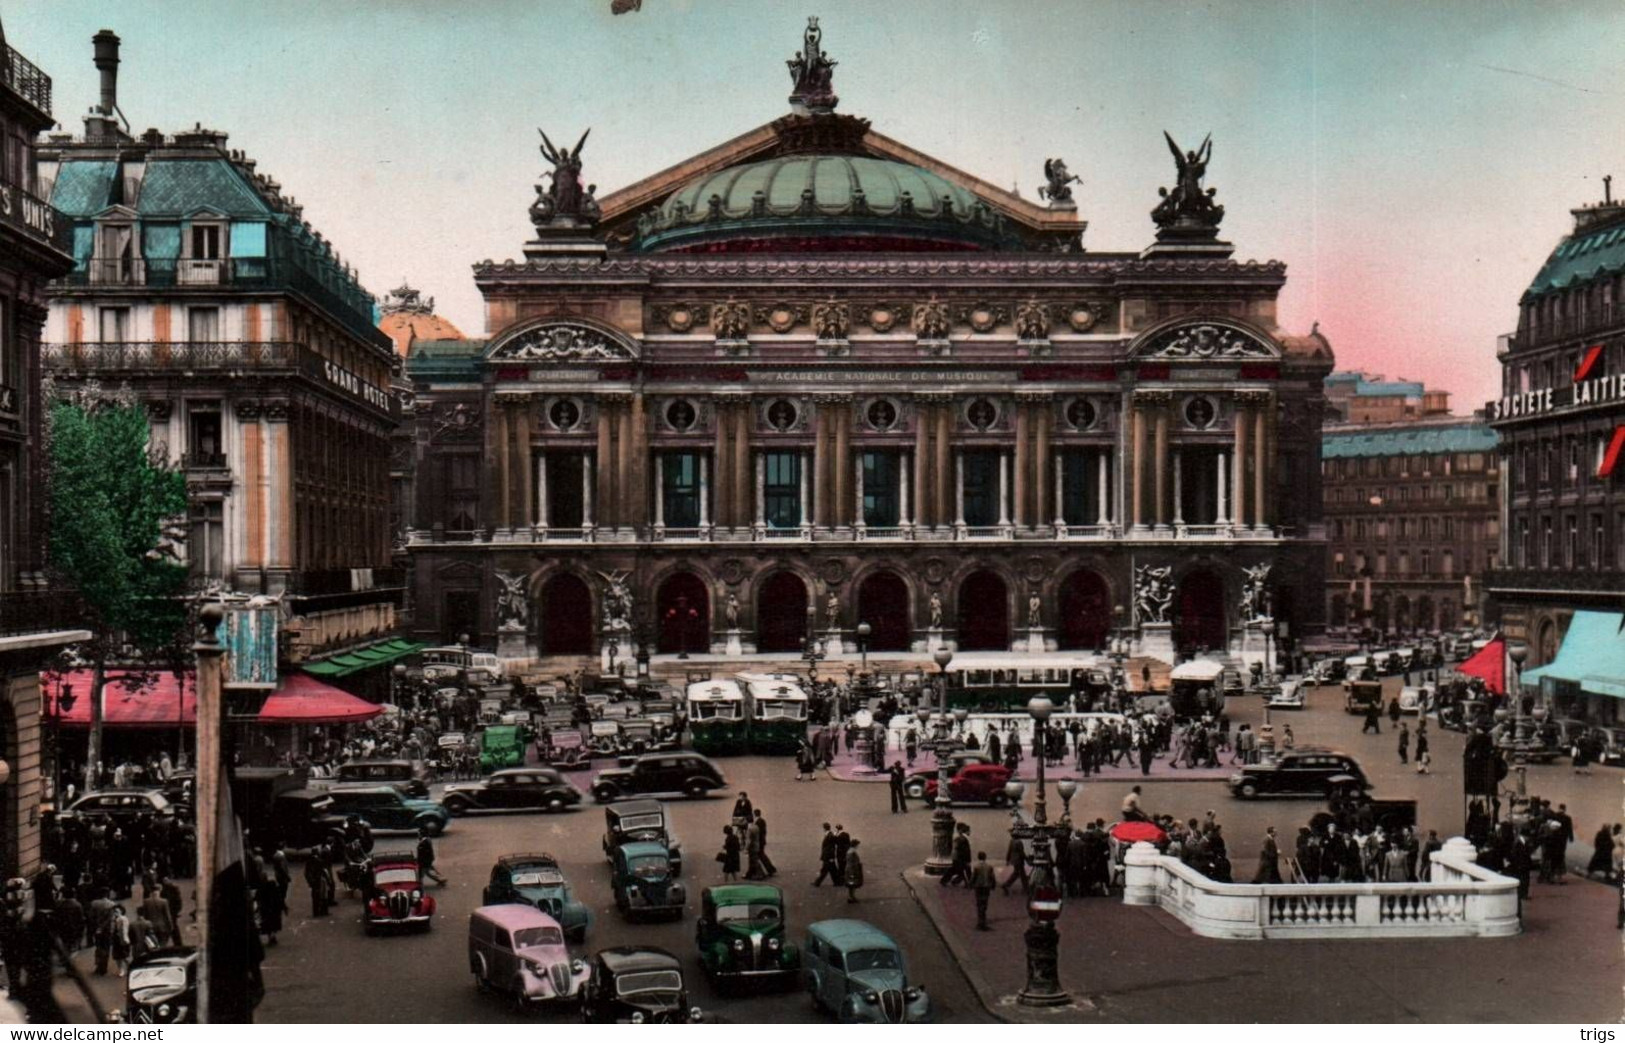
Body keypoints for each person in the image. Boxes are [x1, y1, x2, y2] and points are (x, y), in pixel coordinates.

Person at [970, 852, 997, 930]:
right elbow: (992, 877)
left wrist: (970, 884)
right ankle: (983, 919)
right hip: (986, 886)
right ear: (985, 857)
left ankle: (980, 920)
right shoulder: (989, 867)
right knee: (984, 903)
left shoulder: (976, 867)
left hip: (978, 887)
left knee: (979, 903)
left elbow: (973, 877)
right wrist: (993, 885)